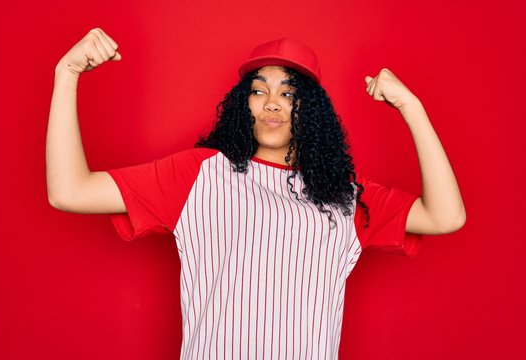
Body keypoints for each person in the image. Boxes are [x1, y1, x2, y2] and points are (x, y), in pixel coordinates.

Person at [46, 28, 466, 359]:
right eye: (259, 90)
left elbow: (446, 216)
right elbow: (70, 191)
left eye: (289, 93)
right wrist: (66, 74)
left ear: (311, 111)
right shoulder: (197, 175)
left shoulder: (344, 197)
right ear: (241, 104)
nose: (271, 103)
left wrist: (411, 106)